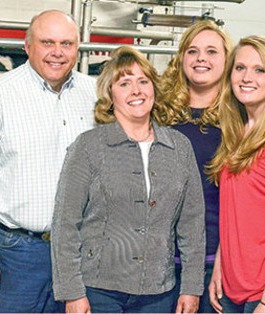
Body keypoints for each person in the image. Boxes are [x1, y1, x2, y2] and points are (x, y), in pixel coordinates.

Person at [0, 10, 97, 313]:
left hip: (79, 251)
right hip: (16, 254)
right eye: (47, 42)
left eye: (67, 44)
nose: (57, 53)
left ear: (78, 48)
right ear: (27, 46)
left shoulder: (94, 93)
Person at [51, 45, 206, 314]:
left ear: (154, 90)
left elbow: (192, 225)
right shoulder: (89, 146)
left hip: (159, 293)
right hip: (98, 291)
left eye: (143, 81)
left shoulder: (179, 147)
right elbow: (65, 224)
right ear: (110, 96)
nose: (136, 90)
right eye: (124, 83)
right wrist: (72, 292)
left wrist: (191, 287)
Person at [208, 35, 265, 313]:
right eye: (240, 68)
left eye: (260, 70)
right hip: (234, 291)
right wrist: (222, 264)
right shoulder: (237, 133)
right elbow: (237, 214)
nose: (246, 77)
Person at [157, 20, 233, 313]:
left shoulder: (238, 120)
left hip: (213, 262)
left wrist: (225, 259)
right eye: (193, 51)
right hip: (157, 263)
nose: (201, 58)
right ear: (181, 59)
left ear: (227, 60)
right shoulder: (158, 113)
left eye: (212, 51)